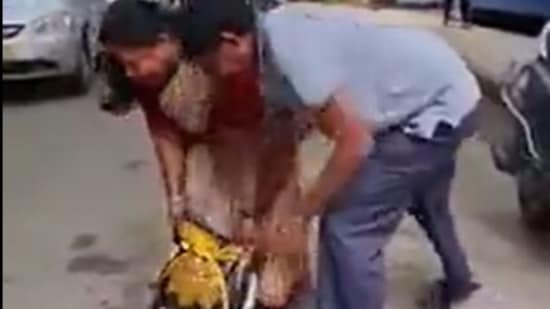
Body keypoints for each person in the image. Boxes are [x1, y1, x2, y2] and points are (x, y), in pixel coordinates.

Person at [180, 1, 481, 308]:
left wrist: (300, 215)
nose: (213, 76)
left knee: (347, 226)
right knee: (426, 197)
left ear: (232, 42)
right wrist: (258, 212)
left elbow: (355, 143)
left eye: (210, 65)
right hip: (439, 84)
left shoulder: (290, 53)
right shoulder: (270, 42)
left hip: (437, 107)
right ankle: (459, 280)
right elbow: (285, 138)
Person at [97, 0, 311, 307]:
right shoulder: (152, 85)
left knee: (276, 280)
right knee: (203, 267)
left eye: (134, 62)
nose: (129, 73)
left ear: (165, 42)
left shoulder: (222, 60)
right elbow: (165, 134)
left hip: (268, 159)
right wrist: (176, 197)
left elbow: (283, 139)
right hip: (210, 168)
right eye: (123, 66)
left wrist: (261, 211)